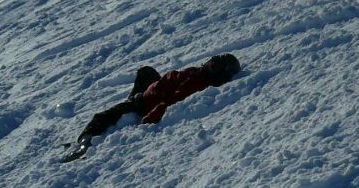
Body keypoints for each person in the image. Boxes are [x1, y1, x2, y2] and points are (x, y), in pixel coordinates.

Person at [62, 54, 241, 161]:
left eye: (216, 63)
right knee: (145, 72)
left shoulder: (196, 82)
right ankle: (132, 100)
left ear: (219, 72)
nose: (211, 61)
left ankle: (85, 143)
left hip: (144, 103)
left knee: (101, 117)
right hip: (152, 90)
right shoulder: (199, 74)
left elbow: (170, 102)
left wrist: (147, 120)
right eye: (214, 59)